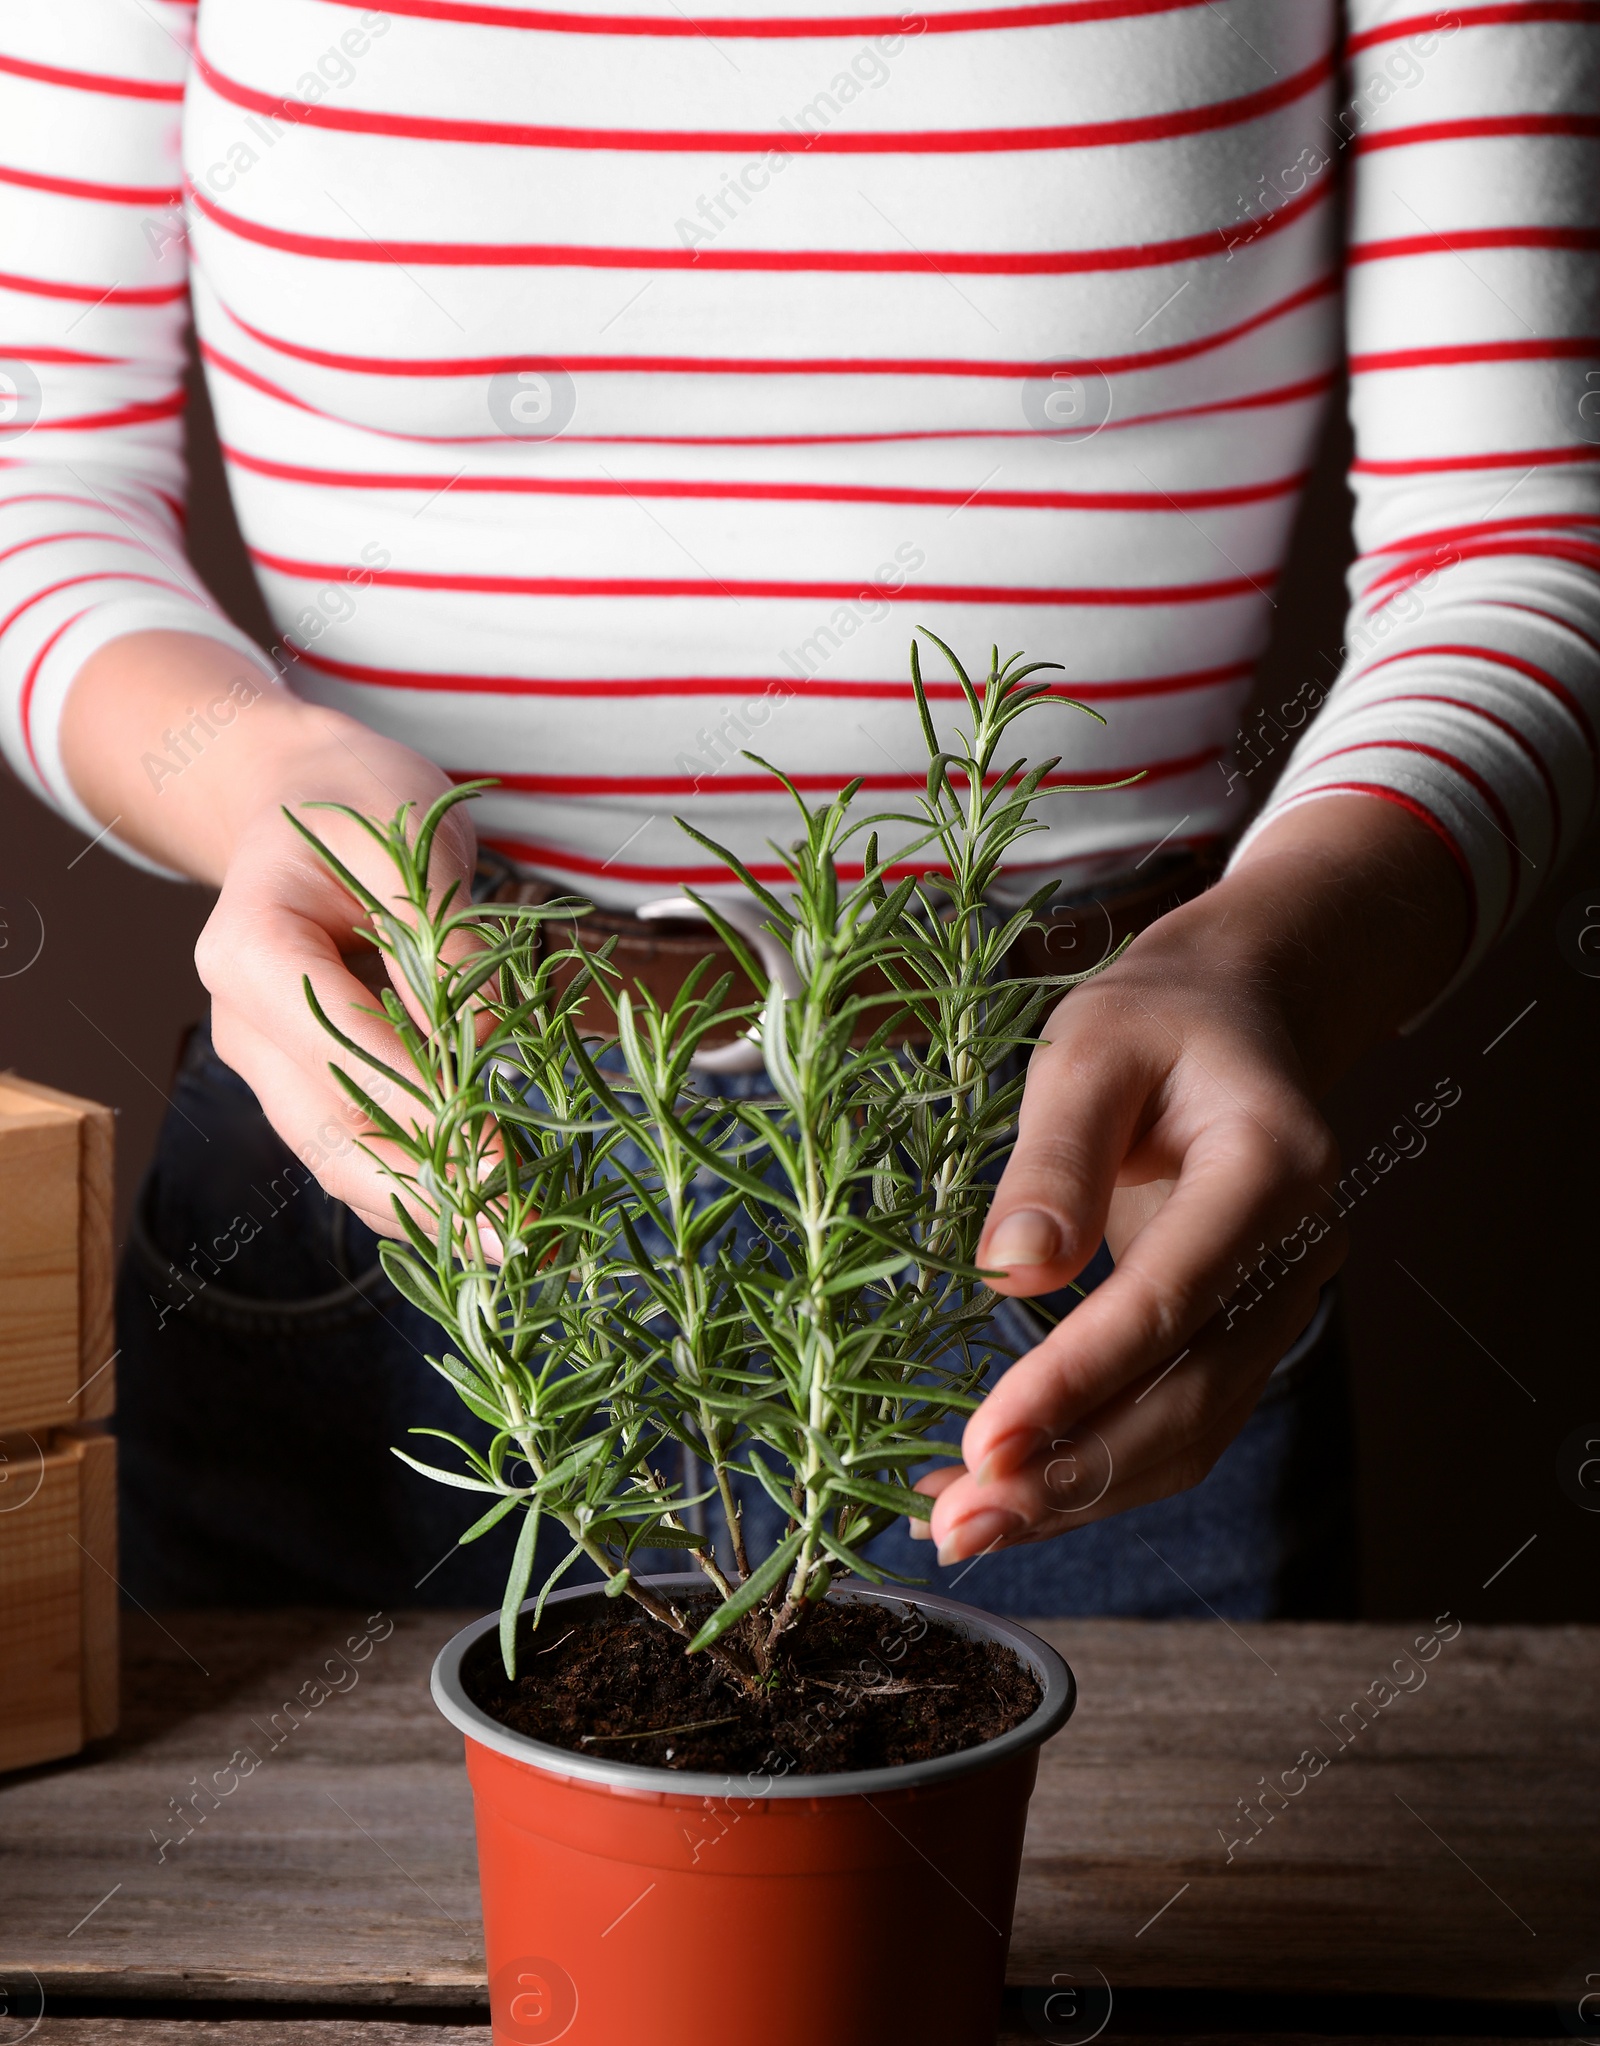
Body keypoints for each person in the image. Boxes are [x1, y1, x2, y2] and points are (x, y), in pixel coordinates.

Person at [2, 0, 1593, 1620]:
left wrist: (1276, 961)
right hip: (404, 1168)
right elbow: (38, 477)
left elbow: (1517, 544)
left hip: (1083, 1192)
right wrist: (281, 790)